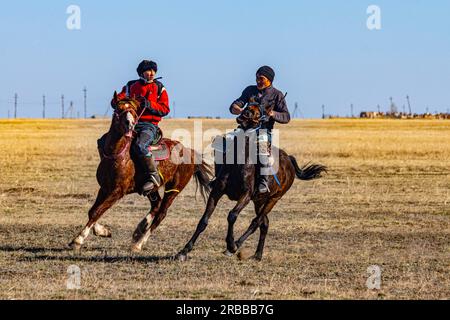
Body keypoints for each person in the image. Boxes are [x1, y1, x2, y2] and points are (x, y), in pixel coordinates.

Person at [112, 60, 170, 195]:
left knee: (140, 146)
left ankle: (153, 175)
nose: (152, 73)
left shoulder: (159, 87)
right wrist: (115, 101)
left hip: (149, 126)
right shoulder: (131, 85)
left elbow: (165, 109)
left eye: (153, 71)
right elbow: (119, 98)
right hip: (130, 123)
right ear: (141, 73)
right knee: (106, 141)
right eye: (148, 71)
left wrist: (149, 104)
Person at [230, 66, 291, 193]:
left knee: (263, 152)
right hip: (244, 128)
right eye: (257, 78)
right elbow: (235, 105)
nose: (258, 81)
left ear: (269, 80)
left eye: (261, 78)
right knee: (223, 145)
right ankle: (220, 177)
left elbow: (286, 117)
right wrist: (237, 108)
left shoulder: (277, 95)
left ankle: (264, 181)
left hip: (263, 131)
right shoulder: (249, 90)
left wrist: (273, 114)